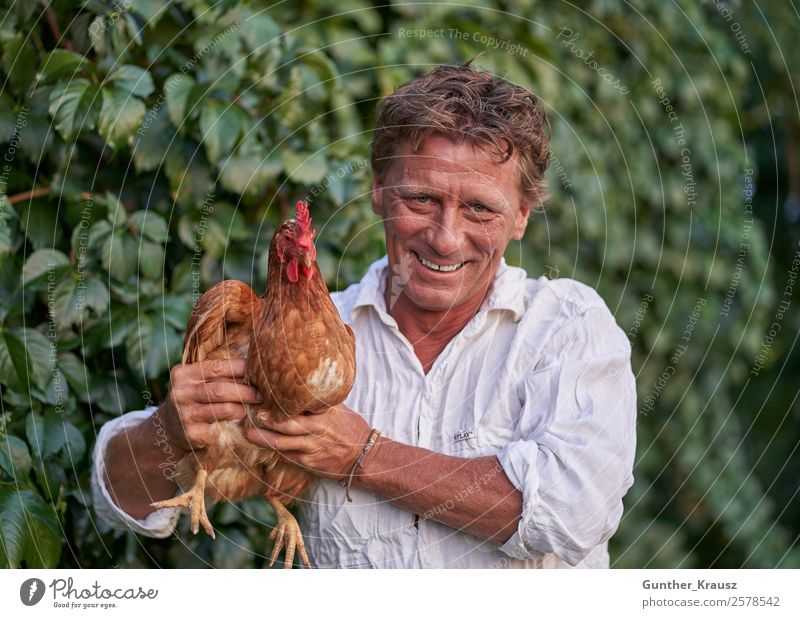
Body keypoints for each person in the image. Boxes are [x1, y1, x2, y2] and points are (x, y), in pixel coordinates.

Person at [92, 63, 637, 568]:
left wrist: (363, 456)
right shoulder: (302, 339)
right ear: (378, 192)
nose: (445, 239)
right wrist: (166, 431)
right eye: (421, 199)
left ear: (520, 216)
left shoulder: (567, 328)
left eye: (479, 208)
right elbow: (121, 502)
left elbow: (572, 512)